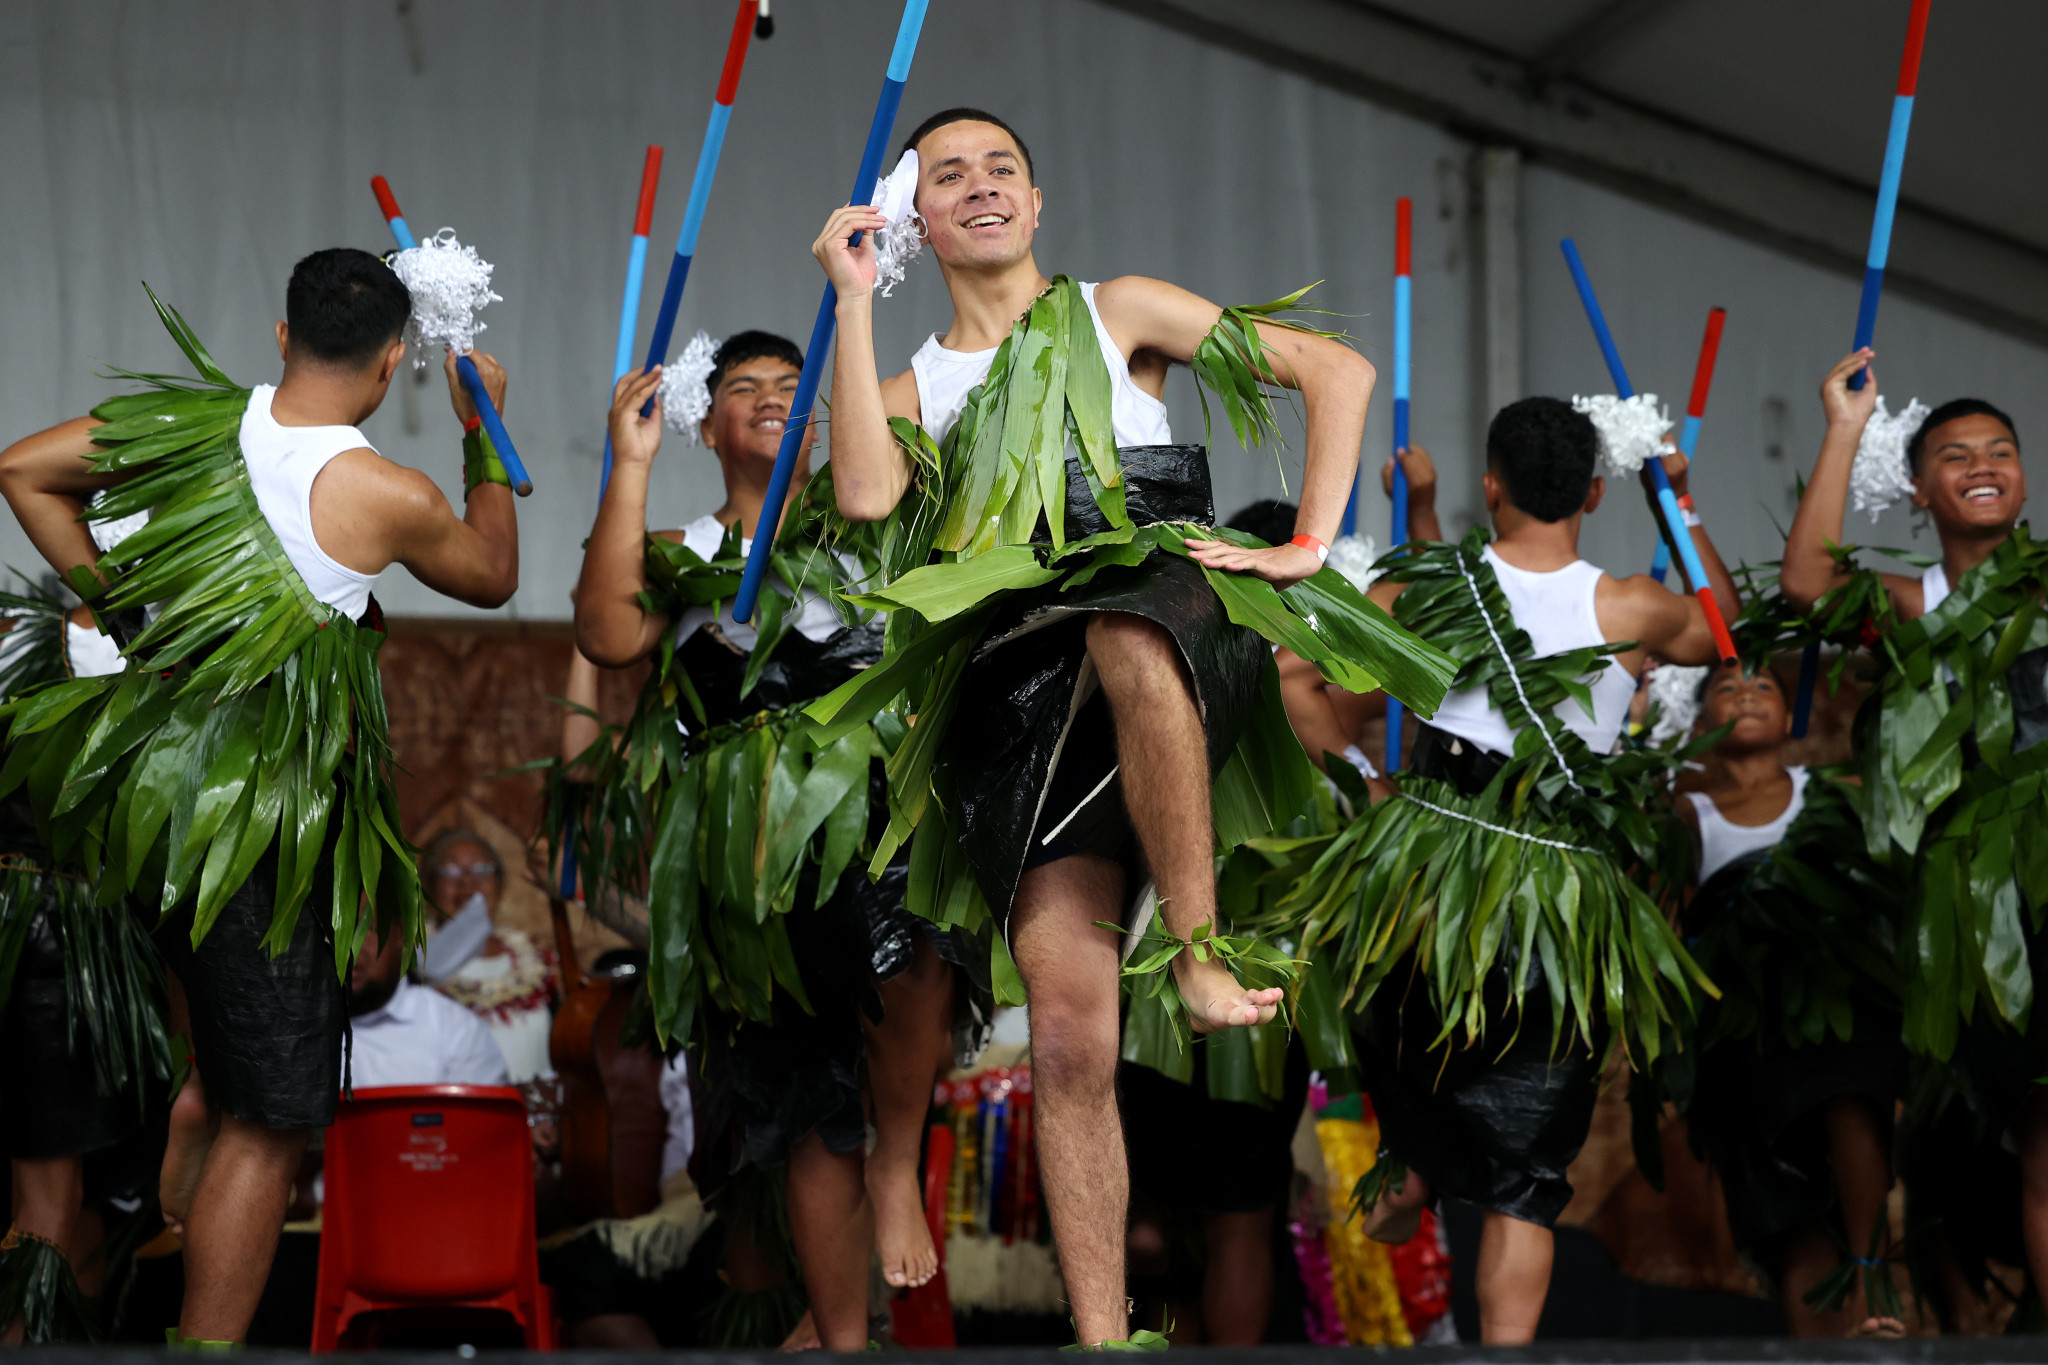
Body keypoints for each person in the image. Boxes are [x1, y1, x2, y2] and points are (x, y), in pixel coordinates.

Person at [805, 107, 1451, 1346]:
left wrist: (1305, 545)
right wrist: (848, 298)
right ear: (913, 221)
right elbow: (865, 495)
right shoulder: (913, 385)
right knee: (1064, 1037)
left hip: (1165, 603)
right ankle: (1103, 1341)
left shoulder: (1121, 309)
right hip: (1016, 690)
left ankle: (1198, 949)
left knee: (1123, 627)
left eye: (1004, 169)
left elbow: (1337, 371)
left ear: (1037, 205)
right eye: (950, 176)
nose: (982, 187)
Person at [0, 248, 520, 1344]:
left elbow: (21, 471)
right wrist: (482, 427)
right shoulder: (385, 492)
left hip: (141, 820)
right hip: (259, 832)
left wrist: (123, 613)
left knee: (206, 1097)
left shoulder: (173, 433)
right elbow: (491, 573)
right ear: (392, 364)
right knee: (269, 1122)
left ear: (281, 337)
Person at [1280, 396, 1738, 1344]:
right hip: (1561, 901)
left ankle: (1408, 1161)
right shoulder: (1631, 607)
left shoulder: (1426, 589)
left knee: (1417, 1053)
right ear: (1595, 493)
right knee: (1524, 1188)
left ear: (1490, 485)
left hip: (1426, 876)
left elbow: (1295, 674)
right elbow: (1724, 626)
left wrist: (1367, 786)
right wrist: (1676, 503)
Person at [571, 330, 983, 1351]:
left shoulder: (878, 533)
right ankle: (840, 1338)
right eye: (741, 388)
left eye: (791, 389)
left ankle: (895, 1171)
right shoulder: (686, 554)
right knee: (808, 1109)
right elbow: (606, 639)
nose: (766, 399)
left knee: (916, 959)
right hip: (752, 855)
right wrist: (627, 464)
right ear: (705, 425)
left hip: (877, 819)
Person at [1777, 351, 2046, 1320]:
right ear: (1919, 488)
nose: (1982, 465)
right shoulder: (1908, 607)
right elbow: (1806, 586)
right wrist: (1845, 431)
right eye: (1956, 455)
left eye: (2001, 451)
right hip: (1984, 921)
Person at [1669, 658, 1904, 1337]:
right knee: (1787, 1208)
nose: (1745, 694)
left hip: (1832, 992)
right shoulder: (1688, 810)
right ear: (1701, 717)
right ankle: (1821, 1349)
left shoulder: (1831, 789)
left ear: (1788, 714)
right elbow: (1674, 918)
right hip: (1743, 1022)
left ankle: (1870, 1287)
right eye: (1726, 687)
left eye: (1762, 684)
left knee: (1849, 1090)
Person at [0, 588, 170, 1341]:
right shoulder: (116, 645)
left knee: (90, 1198)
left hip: (84, 949)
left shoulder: (23, 637)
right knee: (51, 1202)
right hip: (59, 937)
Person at [420, 829, 559, 1085]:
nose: (467, 883)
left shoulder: (537, 964)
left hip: (536, 1117)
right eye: (450, 871)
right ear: (428, 886)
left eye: (482, 869)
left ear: (500, 883)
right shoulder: (411, 968)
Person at [345, 918, 512, 1090]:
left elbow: (477, 1115)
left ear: (402, 935)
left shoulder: (457, 1032)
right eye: (332, 929)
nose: (348, 946)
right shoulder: (316, 1024)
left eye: (364, 929)